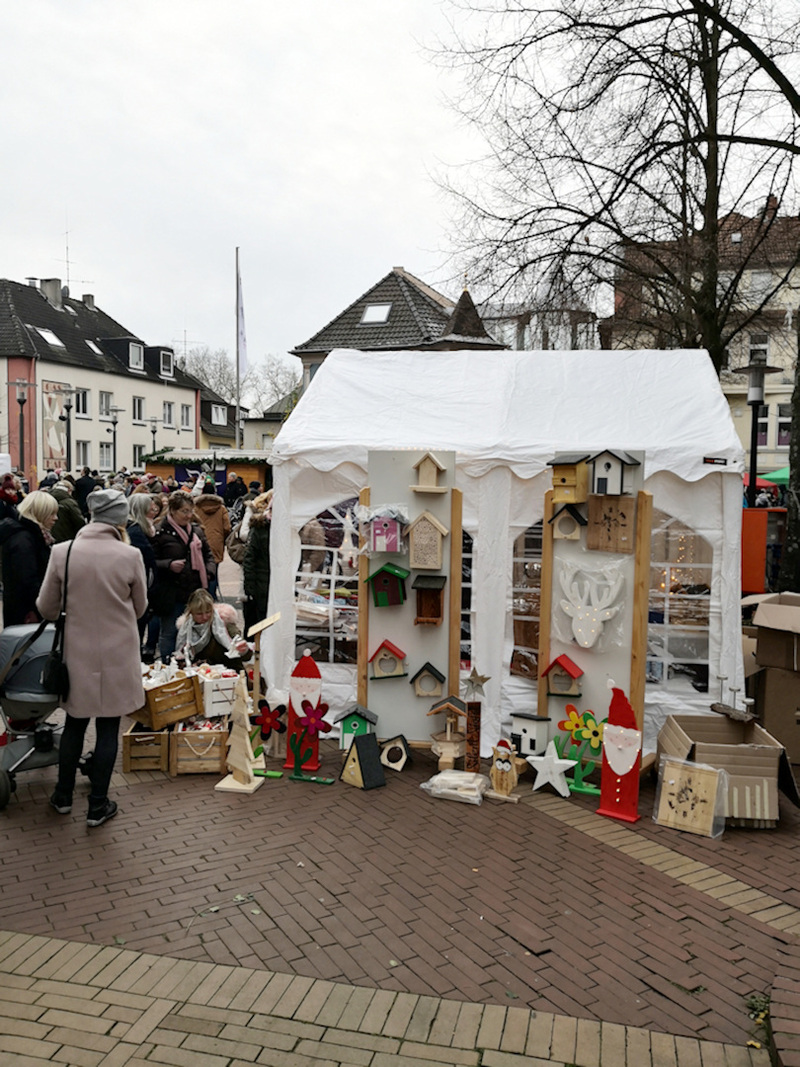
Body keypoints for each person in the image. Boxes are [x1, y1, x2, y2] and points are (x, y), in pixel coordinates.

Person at [37, 488, 147, 827]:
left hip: (77, 650)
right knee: (109, 727)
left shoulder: (62, 552)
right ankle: (98, 805)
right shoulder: (130, 556)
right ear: (119, 519)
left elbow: (46, 607)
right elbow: (141, 606)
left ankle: (63, 796)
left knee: (75, 723)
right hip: (118, 651)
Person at [151, 490, 216, 660]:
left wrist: (209, 571)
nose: (188, 515)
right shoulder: (159, 532)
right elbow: (150, 561)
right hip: (170, 592)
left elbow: (209, 555)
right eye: (184, 511)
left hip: (194, 590)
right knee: (170, 632)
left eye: (191, 511)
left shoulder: (196, 531)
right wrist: (168, 565)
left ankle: (188, 667)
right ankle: (167, 667)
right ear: (172, 510)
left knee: (193, 632)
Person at [0, 489, 58, 625]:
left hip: (23, 610)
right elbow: (26, 581)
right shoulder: (24, 540)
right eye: (52, 513)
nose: (56, 518)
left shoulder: (27, 535)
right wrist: (35, 610)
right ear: (40, 513)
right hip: (28, 613)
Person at [175, 588, 250, 668]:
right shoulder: (186, 631)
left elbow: (247, 656)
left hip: (232, 672)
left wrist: (243, 649)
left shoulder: (224, 623)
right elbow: (181, 658)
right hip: (202, 674)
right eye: (199, 614)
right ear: (191, 613)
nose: (204, 617)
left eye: (208, 612)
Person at [241, 489, 272, 635]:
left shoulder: (285, 530)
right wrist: (249, 588)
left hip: (269, 584)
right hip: (261, 585)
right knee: (258, 623)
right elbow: (249, 560)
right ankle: (257, 653)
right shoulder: (260, 528)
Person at [192, 479, 231, 592]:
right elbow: (227, 527)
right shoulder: (221, 508)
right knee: (213, 569)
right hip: (216, 540)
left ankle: (201, 594)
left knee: (199, 568)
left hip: (199, 539)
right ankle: (212, 597)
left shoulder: (196, 507)